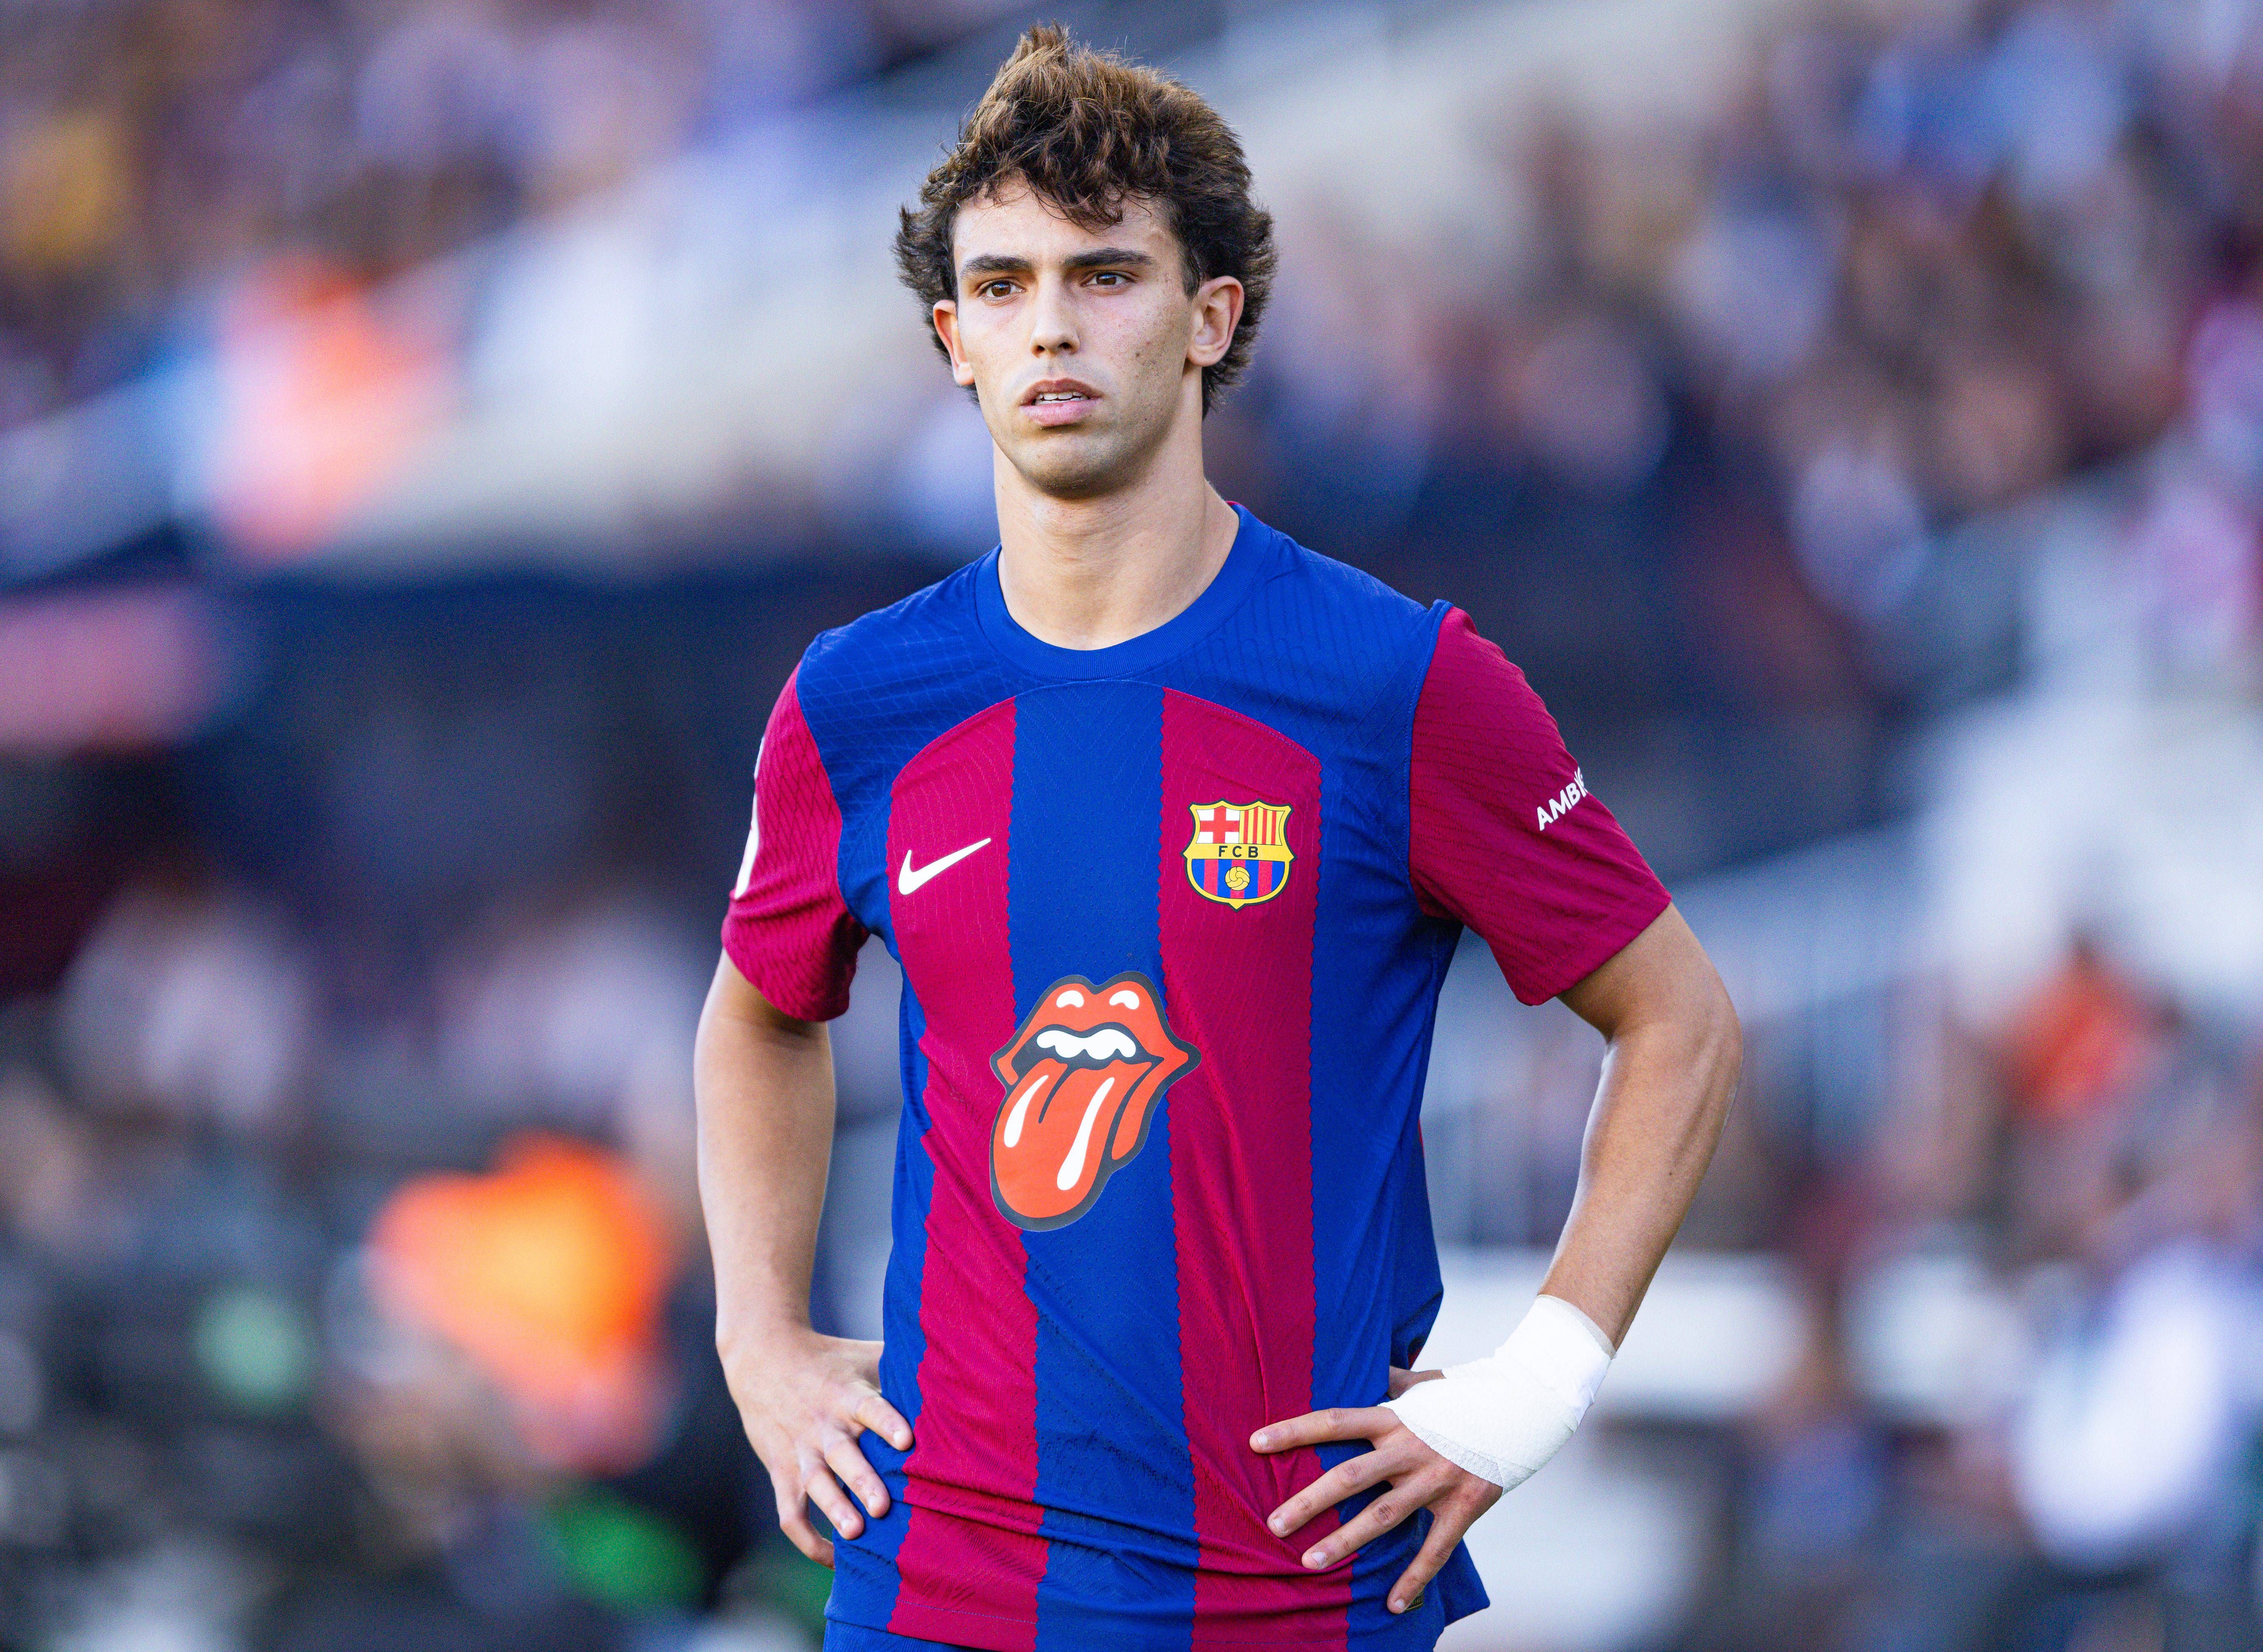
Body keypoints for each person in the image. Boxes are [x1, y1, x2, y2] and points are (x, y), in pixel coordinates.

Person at [695, 26, 1740, 1651]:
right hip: (944, 1587)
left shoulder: (1397, 684)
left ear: (1211, 317)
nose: (1052, 324)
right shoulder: (859, 703)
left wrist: (1539, 1383)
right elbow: (761, 1011)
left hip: (1297, 1596)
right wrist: (758, 1337)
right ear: (953, 340)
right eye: (1003, 285)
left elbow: (1678, 1020)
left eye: (1106, 275)